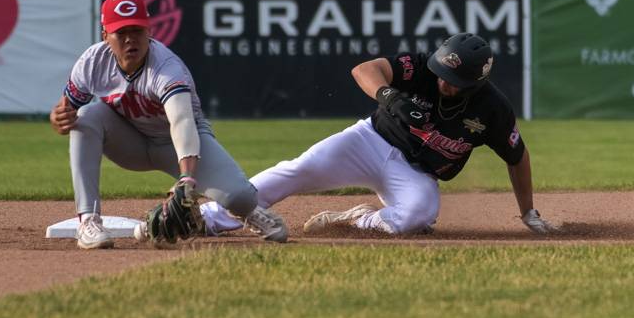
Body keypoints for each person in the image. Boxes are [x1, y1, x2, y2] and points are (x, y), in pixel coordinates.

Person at [200, 33, 557, 236]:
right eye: (442, 74)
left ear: (476, 82)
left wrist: (528, 213)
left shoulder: (493, 109)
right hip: (369, 142)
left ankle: (358, 218)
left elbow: (517, 156)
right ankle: (208, 217)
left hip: (416, 172)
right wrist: (389, 96)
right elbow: (365, 70)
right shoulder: (421, 68)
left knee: (417, 216)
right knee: (299, 169)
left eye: (456, 80)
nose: (444, 83)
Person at [49, 0, 288, 249]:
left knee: (240, 197)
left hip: (178, 145)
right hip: (130, 142)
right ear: (105, 35)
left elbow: (182, 121)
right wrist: (58, 118)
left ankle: (248, 212)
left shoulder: (166, 67)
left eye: (137, 30)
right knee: (85, 117)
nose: (130, 39)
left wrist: (186, 178)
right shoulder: (92, 62)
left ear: (149, 31)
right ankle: (88, 221)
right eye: (121, 32)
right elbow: (65, 112)